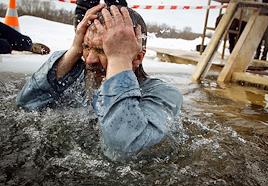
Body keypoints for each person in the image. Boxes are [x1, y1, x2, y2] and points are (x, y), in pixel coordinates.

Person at [16, 4, 183, 160]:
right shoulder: (76, 77)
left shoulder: (164, 94)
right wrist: (74, 51)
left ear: (137, 57)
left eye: (104, 50)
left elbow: (123, 151)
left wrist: (118, 59)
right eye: (86, 47)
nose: (89, 60)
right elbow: (26, 105)